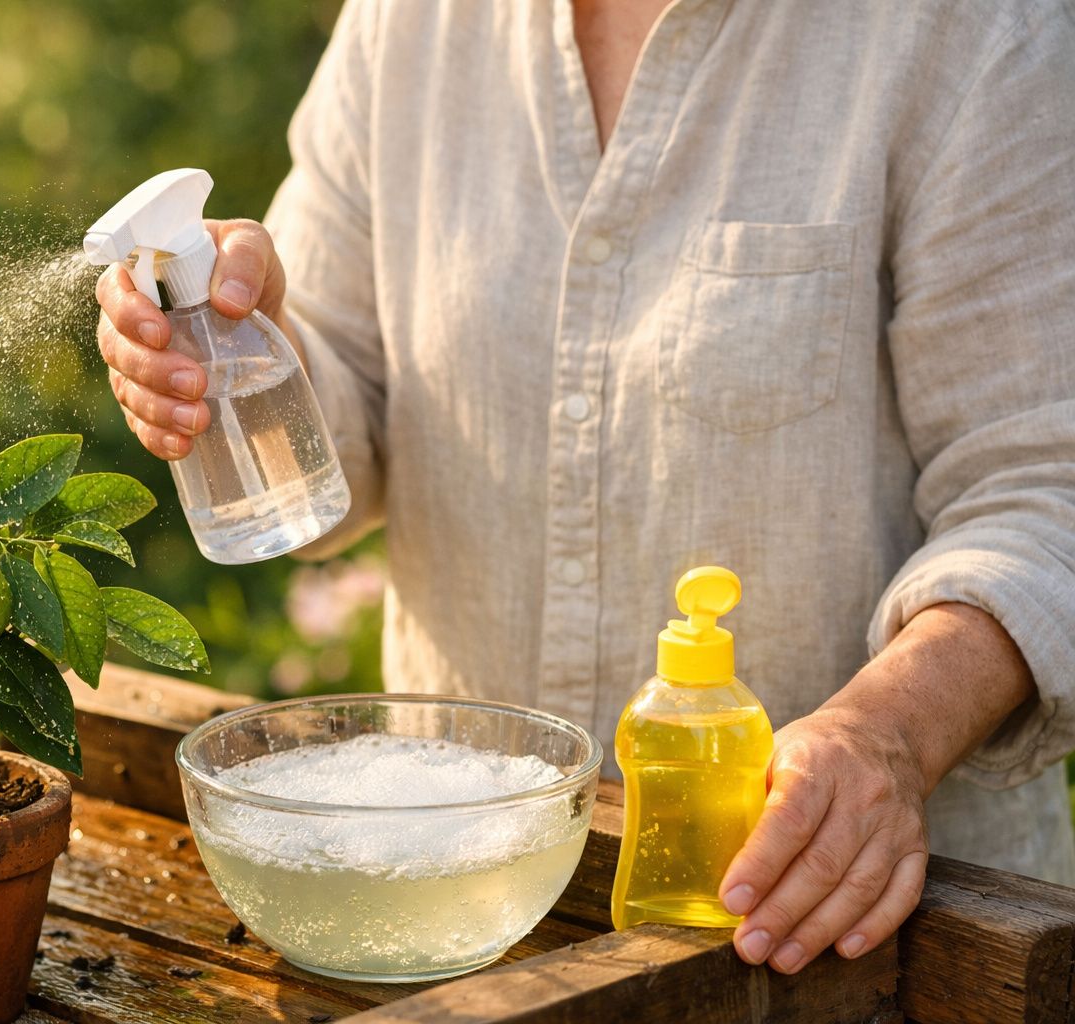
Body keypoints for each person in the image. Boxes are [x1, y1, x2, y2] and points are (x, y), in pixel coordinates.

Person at [95, 0, 1075, 976]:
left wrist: (887, 735)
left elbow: (1043, 485)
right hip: (456, 908)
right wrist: (231, 356)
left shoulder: (970, 27)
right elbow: (348, 414)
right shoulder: (407, 23)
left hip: (846, 935)